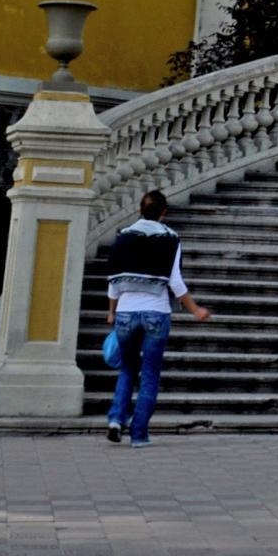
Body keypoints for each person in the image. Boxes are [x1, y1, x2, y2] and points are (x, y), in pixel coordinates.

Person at [103, 188, 210, 446]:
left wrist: (111, 312)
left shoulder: (123, 238)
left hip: (126, 312)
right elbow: (176, 282)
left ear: (140, 210)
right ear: (164, 213)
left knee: (128, 370)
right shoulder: (171, 239)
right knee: (149, 374)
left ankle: (116, 419)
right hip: (156, 312)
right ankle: (139, 435)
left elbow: (114, 283)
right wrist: (195, 309)